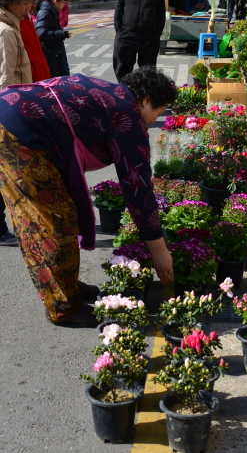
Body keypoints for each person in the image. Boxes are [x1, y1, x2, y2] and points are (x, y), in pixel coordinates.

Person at [0, 66, 177, 326]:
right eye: (159, 112)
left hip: (14, 118)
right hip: (19, 133)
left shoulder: (113, 95)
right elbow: (137, 187)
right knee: (50, 224)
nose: (154, 121)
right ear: (147, 99)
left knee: (59, 215)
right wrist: (159, 251)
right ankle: (63, 307)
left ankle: (66, 284)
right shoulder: (126, 113)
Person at [0, 0, 38, 245]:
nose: (29, 8)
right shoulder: (5, 33)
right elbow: (5, 84)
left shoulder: (12, 26)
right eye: (26, 2)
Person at [113, 0, 166, 82]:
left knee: (147, 72)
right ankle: (125, 94)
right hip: (127, 35)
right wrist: (119, 31)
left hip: (149, 36)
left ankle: (143, 97)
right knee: (122, 68)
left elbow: (160, 12)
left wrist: (157, 32)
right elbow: (118, 9)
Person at [5, 0, 51, 83]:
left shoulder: (24, 16)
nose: (29, 7)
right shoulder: (6, 29)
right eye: (26, 2)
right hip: (23, 94)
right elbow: (5, 78)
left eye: (31, 1)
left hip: (35, 88)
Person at [34, 0, 70, 75]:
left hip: (56, 31)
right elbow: (32, 11)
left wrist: (62, 22)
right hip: (44, 34)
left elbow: (64, 7)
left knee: (63, 68)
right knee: (50, 69)